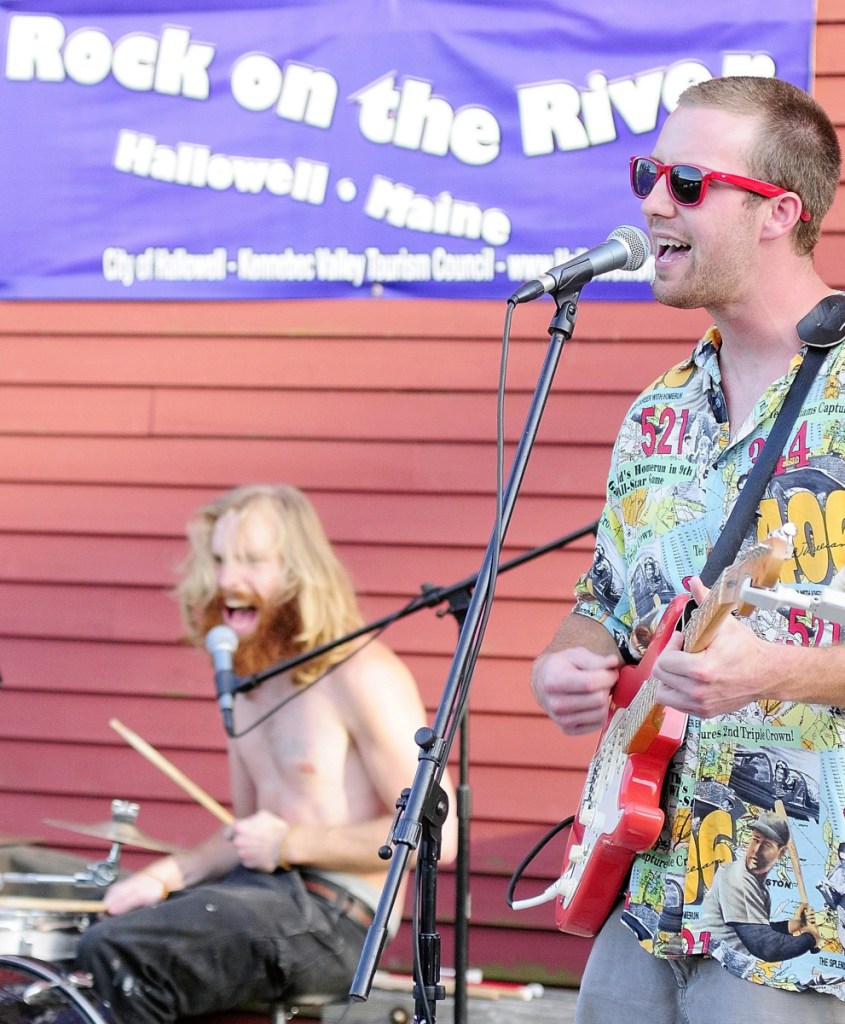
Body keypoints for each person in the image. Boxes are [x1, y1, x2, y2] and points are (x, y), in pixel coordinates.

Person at [530, 75, 845, 1022]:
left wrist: (780, 673)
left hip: (802, 914)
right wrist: (567, 665)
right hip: (645, 887)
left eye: (685, 181)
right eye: (646, 174)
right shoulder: (658, 409)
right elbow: (603, 606)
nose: (651, 201)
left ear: (775, 212)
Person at [74, 483, 458, 1024]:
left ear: (300, 571)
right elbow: (247, 832)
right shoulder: (247, 683)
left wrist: (293, 842)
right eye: (219, 559)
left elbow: (441, 837)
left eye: (252, 561)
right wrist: (167, 874)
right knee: (86, 933)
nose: (229, 580)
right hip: (257, 896)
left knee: (123, 952)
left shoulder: (362, 672)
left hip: (337, 917)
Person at [699, 811, 820, 962]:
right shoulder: (737, 877)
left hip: (722, 958)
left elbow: (752, 929)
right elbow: (767, 948)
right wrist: (811, 938)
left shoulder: (756, 882)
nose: (756, 850)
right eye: (755, 840)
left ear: (781, 852)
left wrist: (792, 925)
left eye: (767, 844)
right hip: (707, 959)